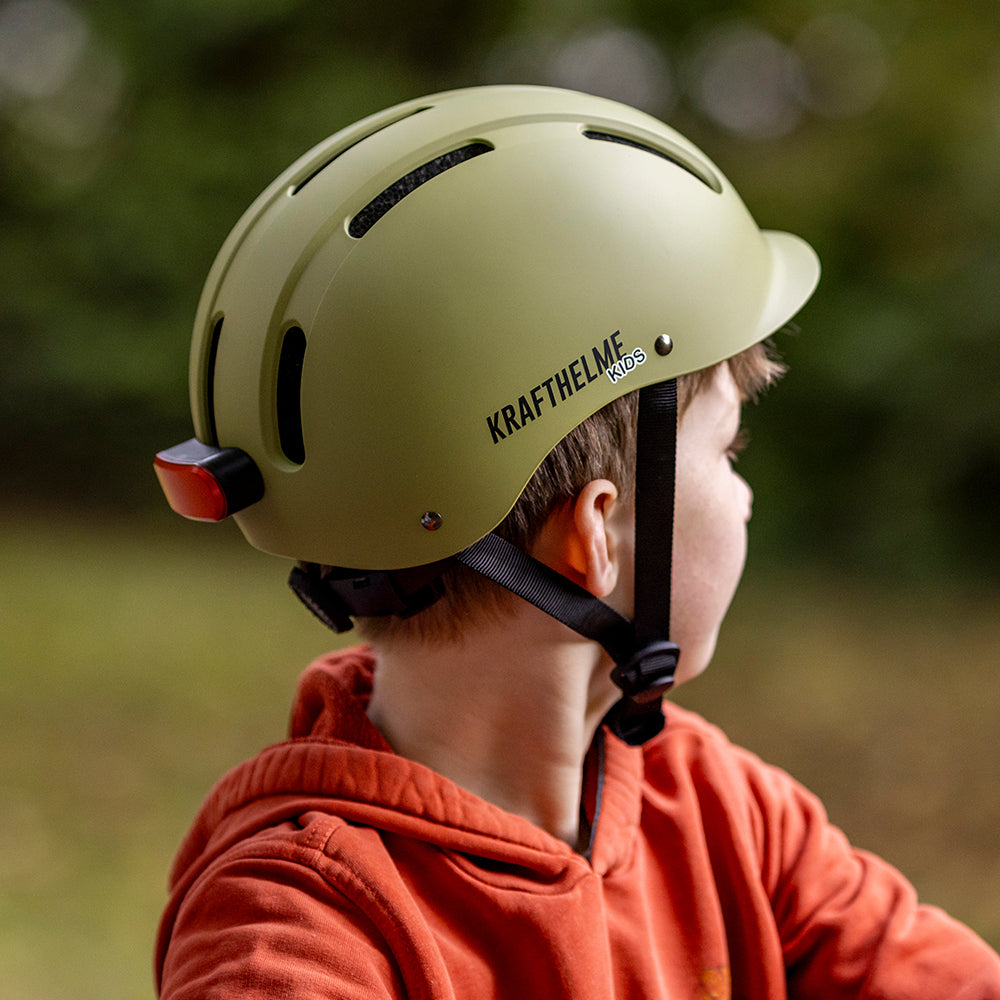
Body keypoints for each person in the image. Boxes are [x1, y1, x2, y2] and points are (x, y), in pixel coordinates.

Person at [152, 85, 1000, 998]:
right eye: (729, 448)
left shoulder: (724, 816)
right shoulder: (293, 935)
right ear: (593, 534)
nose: (746, 498)